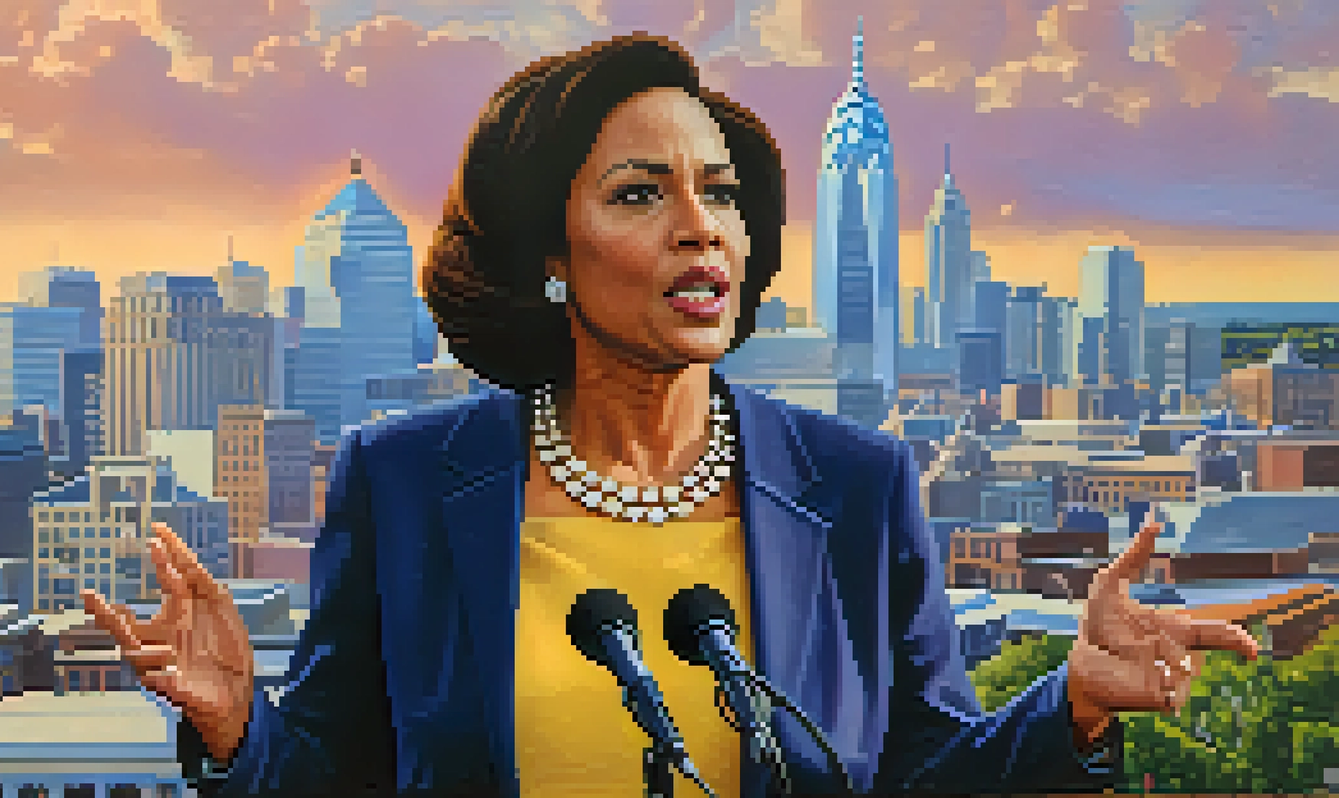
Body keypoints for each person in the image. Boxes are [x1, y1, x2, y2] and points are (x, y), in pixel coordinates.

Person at [82, 33, 1260, 797]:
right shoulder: (403, 485)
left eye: (723, 193)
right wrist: (241, 731)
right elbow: (335, 778)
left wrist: (1074, 707)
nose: (701, 228)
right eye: (642, 194)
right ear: (551, 249)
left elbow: (928, 775)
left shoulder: (856, 488)